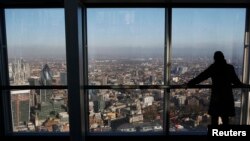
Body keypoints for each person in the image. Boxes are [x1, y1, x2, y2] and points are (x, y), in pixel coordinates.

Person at [186, 51, 244, 126]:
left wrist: (189, 83)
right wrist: (243, 85)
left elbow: (201, 77)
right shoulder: (229, 68)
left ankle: (214, 133)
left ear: (215, 58)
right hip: (227, 96)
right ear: (223, 58)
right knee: (225, 119)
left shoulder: (213, 67)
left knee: (214, 118)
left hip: (216, 96)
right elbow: (236, 82)